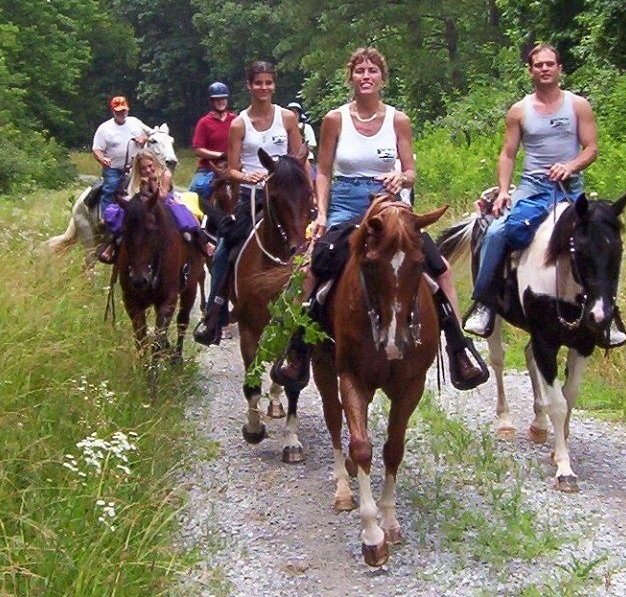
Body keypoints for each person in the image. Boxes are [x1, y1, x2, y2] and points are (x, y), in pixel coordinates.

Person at [281, 47, 487, 390]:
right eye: (359, 70)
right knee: (312, 269)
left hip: (390, 205)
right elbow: (324, 172)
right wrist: (321, 213)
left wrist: (401, 179)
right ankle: (298, 348)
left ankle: (458, 348)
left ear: (382, 78)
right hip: (346, 204)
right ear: (351, 77)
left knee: (441, 269)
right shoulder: (335, 119)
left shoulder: (398, 120)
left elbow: (410, 171)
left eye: (372, 70)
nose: (366, 76)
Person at [465, 44, 624, 347]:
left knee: (604, 240)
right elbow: (508, 153)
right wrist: (502, 191)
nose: (544, 69)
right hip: (533, 189)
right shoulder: (519, 111)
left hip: (571, 192)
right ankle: (484, 304)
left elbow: (591, 148)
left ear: (560, 69)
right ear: (530, 71)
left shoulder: (578, 106)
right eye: (538, 65)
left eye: (550, 64)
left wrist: (570, 165)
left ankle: (609, 313)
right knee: (498, 231)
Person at [193, 61, 307, 346]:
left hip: (284, 194)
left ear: (274, 85)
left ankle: (316, 309)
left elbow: (299, 157)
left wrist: (310, 194)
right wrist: (247, 175)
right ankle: (214, 314)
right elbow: (231, 170)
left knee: (312, 241)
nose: (264, 88)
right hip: (252, 195)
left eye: (269, 82)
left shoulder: (287, 119)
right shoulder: (239, 123)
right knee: (222, 249)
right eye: (258, 83)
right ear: (249, 86)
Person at [100, 150, 213, 263]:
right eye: (143, 168)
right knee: (123, 215)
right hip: (144, 203)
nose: (148, 170)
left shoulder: (165, 174)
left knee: (185, 216)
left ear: (155, 162)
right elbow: (135, 193)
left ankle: (203, 242)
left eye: (150, 166)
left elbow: (162, 195)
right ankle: (112, 244)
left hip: (164, 201)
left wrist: (152, 182)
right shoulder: (138, 178)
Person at [92, 95, 149, 219]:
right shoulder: (104, 129)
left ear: (127, 110)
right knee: (111, 188)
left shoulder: (135, 122)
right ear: (113, 111)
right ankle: (106, 219)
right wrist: (102, 159)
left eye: (124, 110)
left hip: (136, 166)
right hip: (114, 168)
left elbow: (148, 134)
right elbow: (97, 149)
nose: (122, 114)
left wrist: (143, 138)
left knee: (149, 186)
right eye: (119, 111)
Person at [190, 81, 236, 224]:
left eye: (223, 98)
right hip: (208, 168)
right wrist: (219, 155)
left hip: (233, 166)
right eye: (217, 99)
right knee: (195, 193)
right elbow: (198, 149)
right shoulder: (204, 122)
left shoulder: (235, 120)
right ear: (212, 101)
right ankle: (195, 226)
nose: (221, 102)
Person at [287, 101, 318, 167]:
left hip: (306, 160)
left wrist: (300, 152)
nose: (293, 114)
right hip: (288, 161)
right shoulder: (284, 128)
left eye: (295, 112)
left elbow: (311, 145)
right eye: (291, 111)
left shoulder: (306, 127)